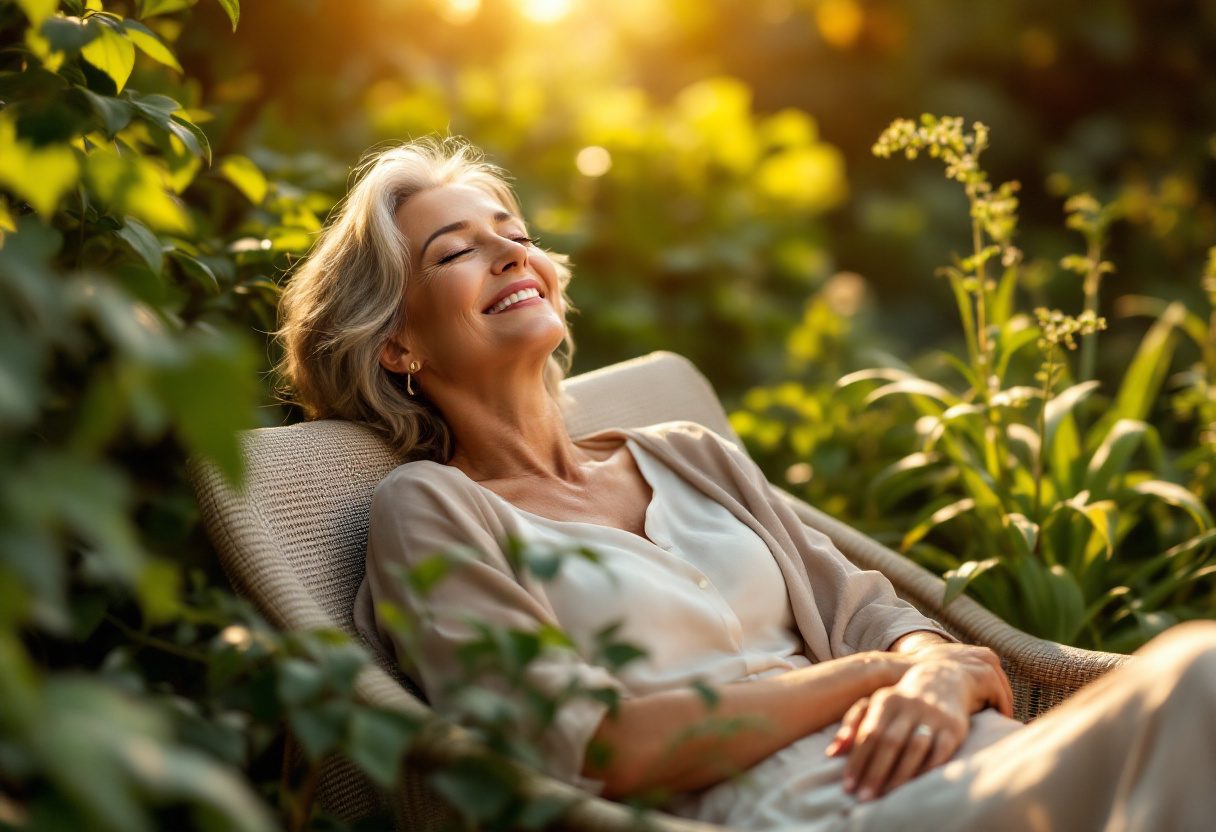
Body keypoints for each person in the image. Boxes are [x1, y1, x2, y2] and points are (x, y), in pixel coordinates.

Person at [278, 136, 1216, 832]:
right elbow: (600, 748)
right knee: (1197, 676)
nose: (510, 253)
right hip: (803, 811)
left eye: (513, 234)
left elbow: (878, 616)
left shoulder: (687, 453)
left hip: (967, 764)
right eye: (455, 251)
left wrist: (940, 674)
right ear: (396, 343)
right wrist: (877, 675)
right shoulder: (432, 509)